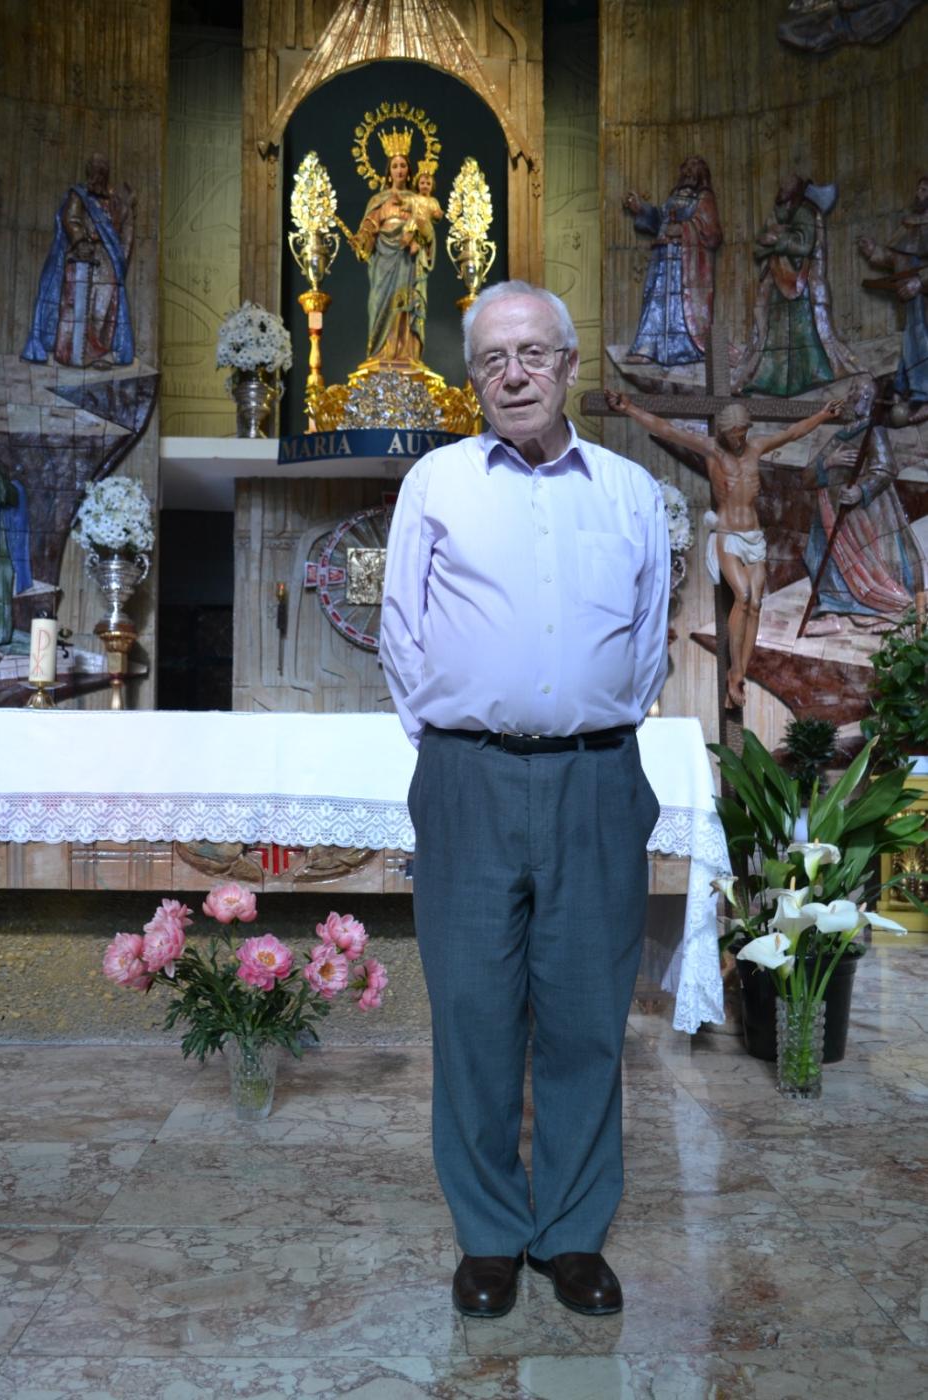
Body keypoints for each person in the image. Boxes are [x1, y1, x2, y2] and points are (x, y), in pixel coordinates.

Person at [380, 280, 670, 1321]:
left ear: (566, 366)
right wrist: (463, 735)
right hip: (466, 777)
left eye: (532, 354)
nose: (512, 373)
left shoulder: (629, 493)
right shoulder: (437, 480)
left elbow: (644, 644)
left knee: (589, 1015)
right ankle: (491, 1234)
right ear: (471, 378)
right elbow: (400, 632)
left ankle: (573, 1232)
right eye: (492, 358)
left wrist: (589, 724)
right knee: (471, 1012)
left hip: (597, 775)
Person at [606, 390, 843, 707]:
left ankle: (738, 674)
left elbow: (792, 432)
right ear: (722, 432)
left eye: (742, 431)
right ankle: (735, 671)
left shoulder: (756, 447)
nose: (738, 438)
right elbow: (666, 429)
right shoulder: (711, 450)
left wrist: (822, 416)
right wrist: (630, 408)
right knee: (743, 595)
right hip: (728, 533)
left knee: (757, 602)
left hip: (754, 535)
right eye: (732, 433)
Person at [802, 379, 925, 625]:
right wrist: (827, 463)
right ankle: (832, 607)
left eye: (855, 391)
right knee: (818, 555)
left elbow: (885, 468)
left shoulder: (873, 430)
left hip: (864, 514)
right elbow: (806, 476)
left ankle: (871, 609)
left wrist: (861, 490)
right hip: (830, 510)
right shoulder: (842, 435)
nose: (850, 395)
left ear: (867, 398)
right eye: (852, 391)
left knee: (870, 563)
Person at [734, 174, 858, 397]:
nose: (781, 190)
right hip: (777, 282)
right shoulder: (777, 214)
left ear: (796, 190)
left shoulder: (806, 212)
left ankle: (813, 373)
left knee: (804, 331)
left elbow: (804, 245)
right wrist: (772, 241)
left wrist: (778, 240)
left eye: (786, 187)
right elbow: (759, 247)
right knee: (775, 336)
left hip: (801, 284)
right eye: (781, 186)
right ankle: (772, 378)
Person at [22, 152, 135, 368]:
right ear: (89, 170)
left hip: (107, 256)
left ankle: (97, 352)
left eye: (103, 167)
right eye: (95, 167)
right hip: (83, 255)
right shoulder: (79, 194)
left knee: (104, 305)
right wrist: (80, 240)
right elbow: (70, 218)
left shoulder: (112, 199)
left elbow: (122, 220)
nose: (99, 171)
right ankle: (71, 353)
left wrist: (129, 205)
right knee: (76, 303)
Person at [622, 155, 722, 365]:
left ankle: (683, 349)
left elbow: (712, 233)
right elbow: (661, 219)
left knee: (678, 304)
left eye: (692, 169)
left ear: (700, 174)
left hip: (684, 262)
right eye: (685, 169)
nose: (686, 173)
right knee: (655, 301)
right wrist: (641, 208)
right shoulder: (674, 196)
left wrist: (684, 229)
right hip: (662, 258)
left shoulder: (703, 198)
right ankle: (647, 347)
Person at [352, 141, 436, 364]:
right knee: (381, 304)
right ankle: (382, 353)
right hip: (384, 261)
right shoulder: (379, 201)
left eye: (403, 166)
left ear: (409, 171)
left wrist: (419, 230)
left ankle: (406, 354)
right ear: (389, 172)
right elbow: (369, 228)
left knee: (405, 304)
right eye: (395, 166)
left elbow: (428, 234)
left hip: (408, 260)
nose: (399, 170)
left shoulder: (418, 201)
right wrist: (361, 240)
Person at [857, 175, 928, 425]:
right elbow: (896, 257)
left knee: (921, 340)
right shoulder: (910, 224)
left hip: (922, 296)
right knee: (911, 341)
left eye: (924, 189)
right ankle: (905, 388)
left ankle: (924, 396)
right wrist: (874, 251)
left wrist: (921, 282)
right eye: (918, 188)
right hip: (911, 301)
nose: (919, 193)